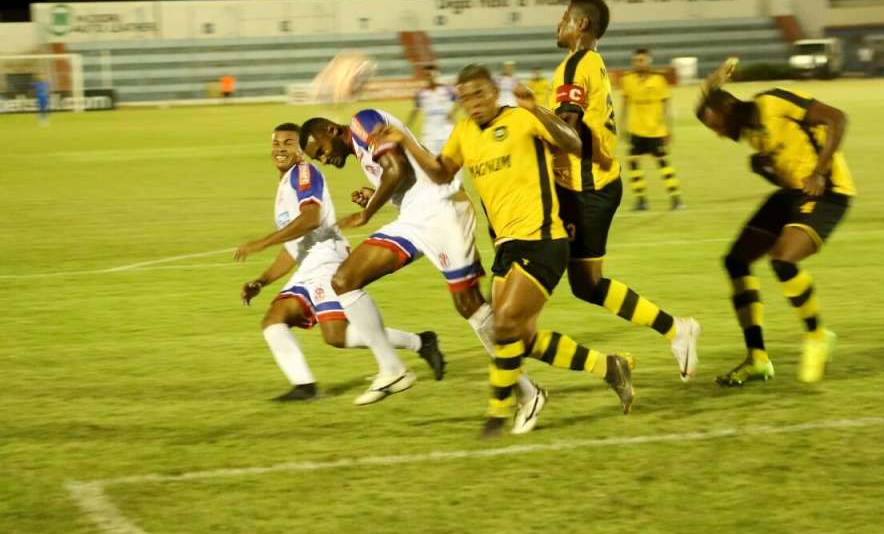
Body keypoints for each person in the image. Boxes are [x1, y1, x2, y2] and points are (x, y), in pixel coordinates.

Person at [374, 64, 636, 437]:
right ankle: (609, 367)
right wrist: (406, 140)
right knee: (517, 338)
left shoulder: (521, 118)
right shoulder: (464, 131)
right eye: (465, 97)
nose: (473, 103)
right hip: (506, 244)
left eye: (480, 94)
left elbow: (574, 144)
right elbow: (441, 173)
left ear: (495, 92)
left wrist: (536, 109)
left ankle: (498, 414)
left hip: (544, 238)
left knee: (506, 325)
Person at [300, 110, 549, 434]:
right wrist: (374, 192)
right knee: (344, 280)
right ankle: (392, 369)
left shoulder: (363, 121)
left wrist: (367, 212)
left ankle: (528, 393)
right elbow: (398, 177)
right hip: (414, 219)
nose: (324, 159)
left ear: (332, 130)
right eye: (317, 158)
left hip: (444, 213)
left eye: (321, 151)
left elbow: (398, 169)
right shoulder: (361, 147)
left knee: (469, 307)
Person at [516, 0, 700, 381]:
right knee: (585, 284)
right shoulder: (592, 63)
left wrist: (531, 116)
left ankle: (516, 354)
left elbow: (570, 131)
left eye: (564, 17)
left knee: (532, 271)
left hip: (582, 189)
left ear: (581, 25)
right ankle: (675, 329)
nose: (558, 24)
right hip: (589, 185)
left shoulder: (573, 66)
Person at [234, 123, 445, 404]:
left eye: (288, 143)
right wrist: (261, 280)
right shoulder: (284, 185)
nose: (280, 149)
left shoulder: (304, 173)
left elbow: (310, 219)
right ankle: (306, 385)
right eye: (276, 144)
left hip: (325, 262)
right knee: (279, 321)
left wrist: (261, 243)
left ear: (301, 151)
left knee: (333, 334)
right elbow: (293, 247)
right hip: (308, 265)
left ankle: (416, 344)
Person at [694, 60, 855, 385]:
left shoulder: (773, 102)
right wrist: (763, 169)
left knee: (783, 259)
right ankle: (757, 359)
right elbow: (784, 179)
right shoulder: (753, 133)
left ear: (729, 107)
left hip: (828, 191)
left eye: (719, 126)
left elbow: (837, 118)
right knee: (736, 261)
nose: (722, 135)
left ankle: (817, 336)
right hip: (794, 193)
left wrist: (820, 172)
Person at [618, 48, 682, 211]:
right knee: (633, 163)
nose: (639, 63)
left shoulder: (659, 80)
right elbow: (624, 105)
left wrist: (669, 129)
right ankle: (641, 201)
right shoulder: (627, 80)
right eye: (637, 60)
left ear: (649, 61)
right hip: (635, 130)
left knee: (663, 163)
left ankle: (676, 199)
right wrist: (622, 126)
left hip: (656, 130)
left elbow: (667, 106)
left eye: (642, 60)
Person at [405, 63, 459, 155]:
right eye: (426, 75)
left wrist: (452, 113)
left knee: (451, 158)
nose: (429, 77)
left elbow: (460, 99)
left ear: (436, 75)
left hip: (447, 129)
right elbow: (415, 110)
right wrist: (406, 126)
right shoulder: (420, 93)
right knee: (429, 158)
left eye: (430, 74)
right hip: (430, 131)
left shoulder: (447, 89)